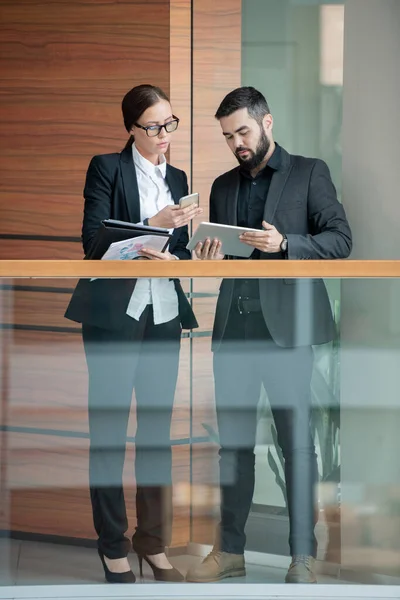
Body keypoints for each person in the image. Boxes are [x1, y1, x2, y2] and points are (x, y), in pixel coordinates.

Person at [186, 86, 352, 584]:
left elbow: (341, 239)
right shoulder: (221, 185)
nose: (236, 142)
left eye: (243, 131)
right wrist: (207, 256)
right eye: (228, 135)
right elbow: (226, 257)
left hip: (289, 333)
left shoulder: (309, 172)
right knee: (232, 446)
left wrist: (287, 244)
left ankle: (302, 557)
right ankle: (230, 551)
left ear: (267, 123)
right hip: (234, 330)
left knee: (296, 444)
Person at [65, 84, 201, 584]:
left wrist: (188, 253)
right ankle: (112, 544)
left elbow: (180, 251)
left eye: (170, 124)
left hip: (163, 313)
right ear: (131, 129)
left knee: (156, 437)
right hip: (113, 316)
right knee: (108, 436)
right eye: (153, 127)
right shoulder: (107, 167)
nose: (164, 135)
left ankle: (152, 540)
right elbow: (92, 242)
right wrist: (153, 223)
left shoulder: (181, 177)